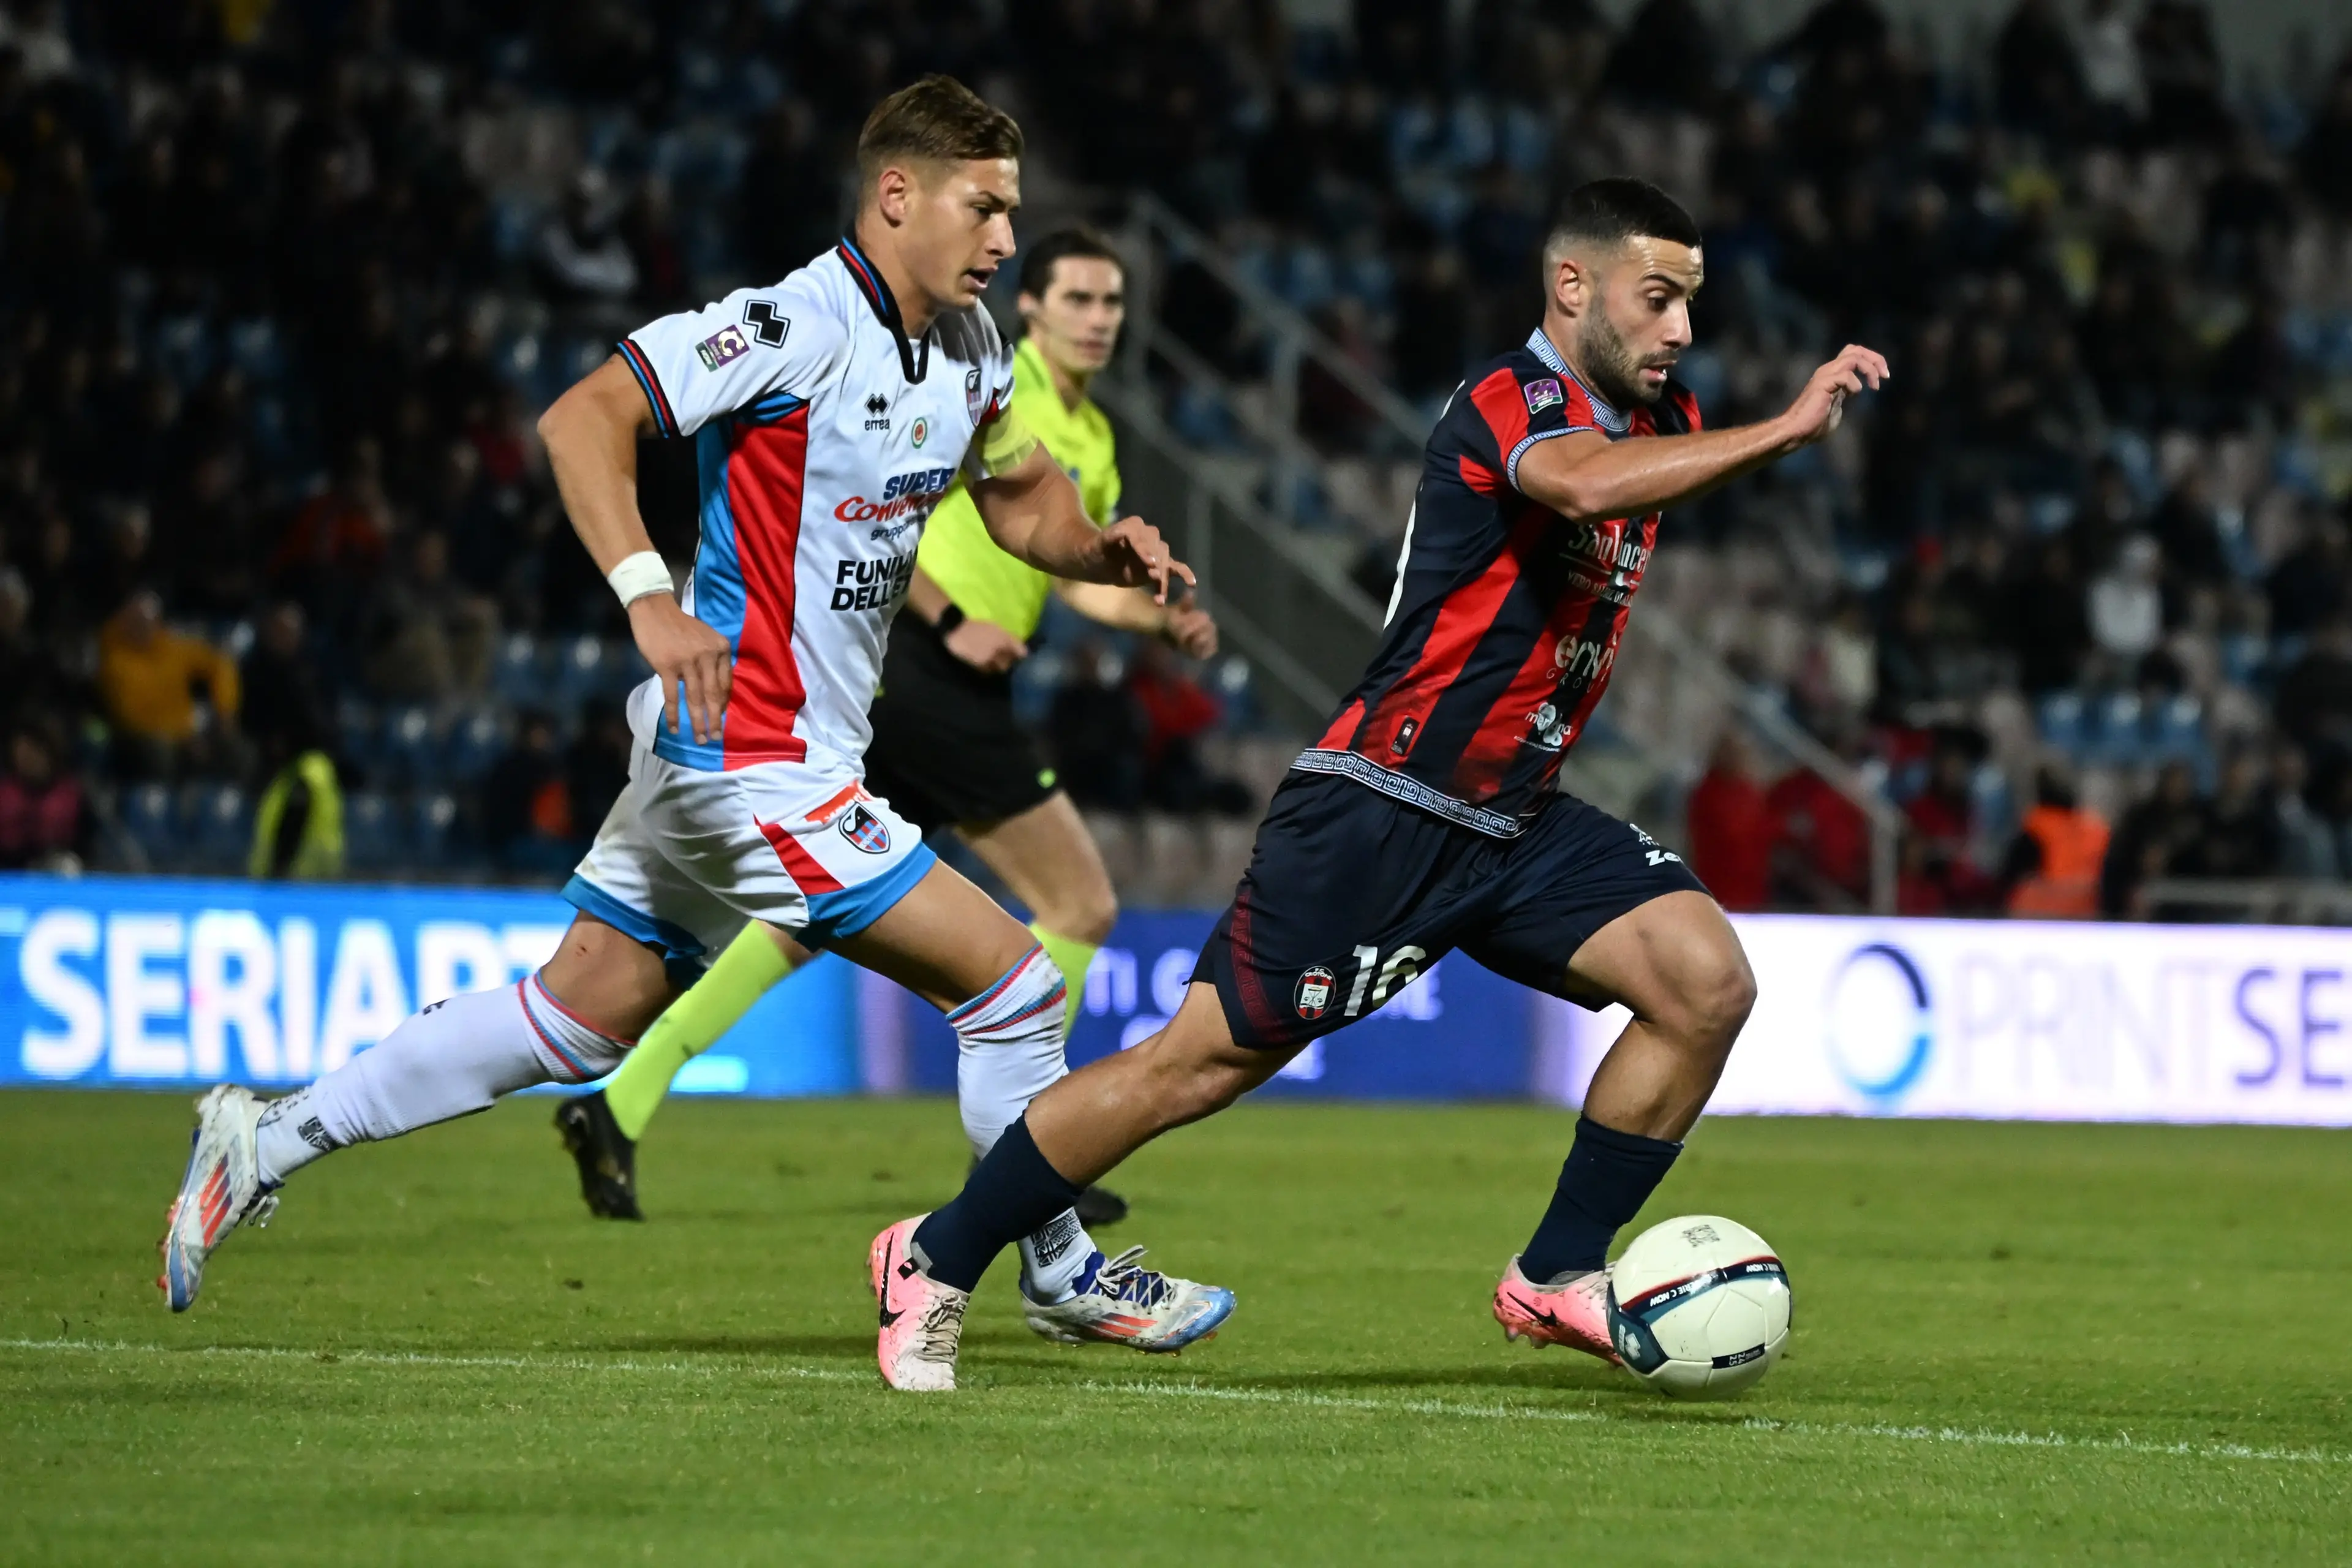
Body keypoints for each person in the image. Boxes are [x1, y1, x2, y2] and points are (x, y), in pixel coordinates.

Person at [159, 77, 1231, 1359]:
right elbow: (582, 417)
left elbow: (1020, 496)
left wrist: (1097, 551)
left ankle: (264, 1135)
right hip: (752, 753)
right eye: (983, 207)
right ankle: (1057, 1263)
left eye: (1013, 210)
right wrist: (647, 596)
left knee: (580, 1011)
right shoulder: (788, 325)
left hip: (750, 752)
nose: (1006, 239)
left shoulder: (974, 345)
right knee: (1009, 983)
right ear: (898, 195)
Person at [868, 177, 1888, 1391]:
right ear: (1573, 286)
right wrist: (1784, 428)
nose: (1679, 330)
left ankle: (1557, 1268)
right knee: (1193, 1066)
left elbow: (1628, 484)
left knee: (1706, 980)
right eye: (1657, 299)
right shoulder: (1507, 402)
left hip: (1516, 817)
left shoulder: (1665, 426)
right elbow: (1576, 485)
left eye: (1690, 305)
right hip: (1383, 803)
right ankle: (933, 1254)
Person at [556, 227, 1217, 1229]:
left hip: (937, 685)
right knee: (1077, 902)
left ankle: (623, 1096)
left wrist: (1153, 611)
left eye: (1113, 303)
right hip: (926, 671)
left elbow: (1063, 572)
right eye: (1078, 299)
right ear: (1032, 310)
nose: (1098, 320)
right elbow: (872, 521)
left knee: (811, 912)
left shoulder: (1090, 435)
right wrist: (954, 620)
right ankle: (1041, 1148)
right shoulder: (995, 373)